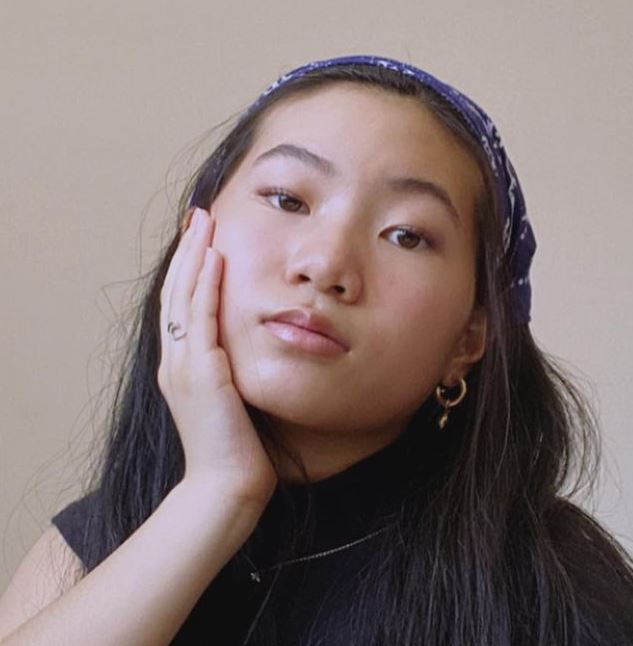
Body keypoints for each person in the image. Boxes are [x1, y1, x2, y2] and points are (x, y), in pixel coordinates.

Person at [0, 54, 632, 645]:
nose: (326, 265)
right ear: (193, 239)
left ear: (468, 340)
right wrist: (216, 495)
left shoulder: (560, 598)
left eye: (406, 235)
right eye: (287, 200)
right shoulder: (94, 546)